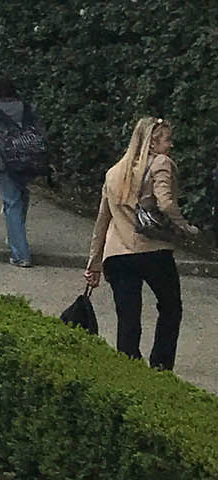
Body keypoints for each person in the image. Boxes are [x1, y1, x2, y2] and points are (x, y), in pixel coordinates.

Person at [84, 116, 196, 371]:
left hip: (118, 254)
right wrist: (184, 226)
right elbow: (165, 202)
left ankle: (130, 369)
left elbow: (102, 221)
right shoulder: (161, 163)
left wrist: (94, 264)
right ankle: (160, 365)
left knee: (128, 317)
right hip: (153, 250)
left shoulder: (115, 172)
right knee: (170, 307)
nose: (171, 145)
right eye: (167, 139)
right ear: (152, 142)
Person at [0, 75, 48, 267]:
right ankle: (15, 236)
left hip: (6, 163)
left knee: (12, 204)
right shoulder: (28, 108)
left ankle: (20, 253)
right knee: (22, 198)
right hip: (30, 160)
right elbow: (41, 133)